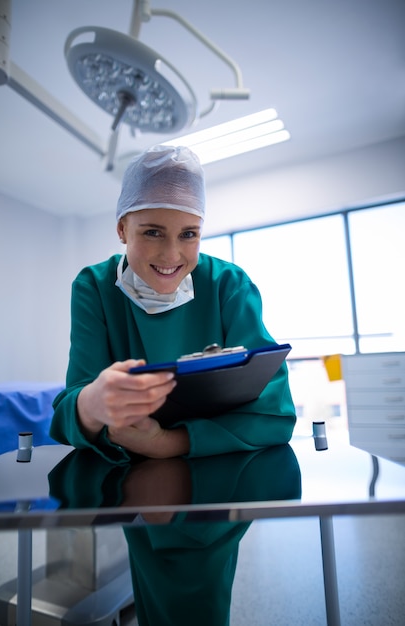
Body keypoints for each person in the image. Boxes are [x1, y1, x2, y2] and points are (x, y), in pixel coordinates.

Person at [51, 144, 296, 463]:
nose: (170, 255)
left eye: (189, 234)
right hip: (123, 483)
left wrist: (168, 442)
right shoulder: (94, 286)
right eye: (153, 232)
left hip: (221, 478)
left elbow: (274, 413)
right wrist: (91, 404)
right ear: (123, 229)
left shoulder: (228, 284)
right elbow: (67, 417)